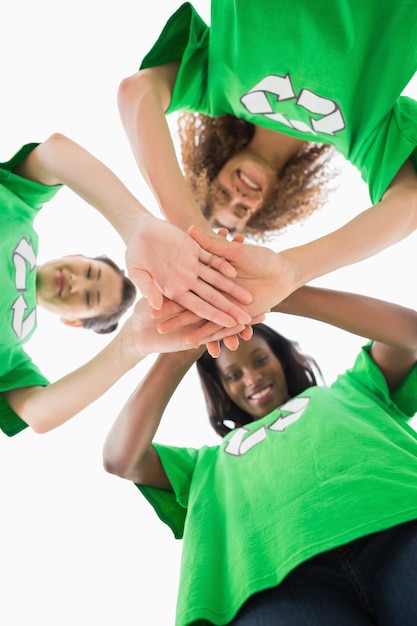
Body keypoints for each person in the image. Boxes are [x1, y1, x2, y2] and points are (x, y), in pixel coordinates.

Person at [103, 285, 417, 625]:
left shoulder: (353, 389)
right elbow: (121, 458)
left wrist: (276, 293)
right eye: (233, 375)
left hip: (400, 522)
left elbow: (409, 334)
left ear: (281, 357)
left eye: (260, 359)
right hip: (266, 582)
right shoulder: (206, 464)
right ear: (222, 389)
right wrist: (182, 350)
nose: (252, 378)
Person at [117, 0, 417, 300]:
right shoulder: (361, 135)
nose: (238, 195)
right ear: (273, 208)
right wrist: (291, 271)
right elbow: (409, 204)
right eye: (242, 209)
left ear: (212, 168)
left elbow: (136, 92)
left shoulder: (212, 87)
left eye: (223, 194)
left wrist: (188, 228)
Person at [1, 133, 252, 438]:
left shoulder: (12, 350)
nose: (76, 283)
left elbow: (38, 413)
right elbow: (54, 153)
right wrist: (135, 225)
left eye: (89, 298)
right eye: (89, 273)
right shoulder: (21, 205)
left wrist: (130, 346)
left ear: (72, 320)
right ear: (77, 255)